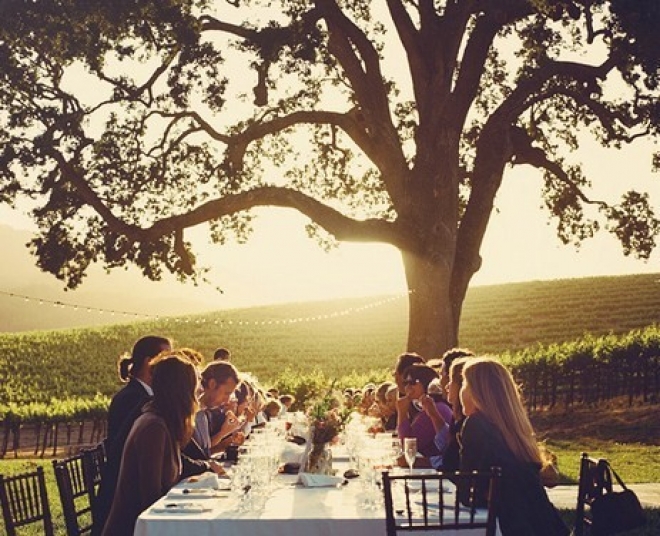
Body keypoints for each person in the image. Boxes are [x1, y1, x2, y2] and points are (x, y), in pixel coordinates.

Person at [458, 357, 569, 536]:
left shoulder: (475, 424)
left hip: (511, 528)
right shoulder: (514, 429)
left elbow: (465, 493)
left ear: (478, 392)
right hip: (545, 526)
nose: (461, 391)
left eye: (465, 384)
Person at [101, 353, 199, 535]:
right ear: (183, 392)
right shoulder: (153, 427)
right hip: (134, 529)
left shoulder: (163, 422)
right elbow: (151, 501)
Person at [106, 335, 171, 447]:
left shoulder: (144, 394)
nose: (172, 366)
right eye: (166, 360)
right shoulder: (130, 399)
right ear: (149, 362)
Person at [420, 356, 472, 471]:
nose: (446, 384)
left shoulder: (471, 422)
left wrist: (422, 462)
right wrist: (433, 414)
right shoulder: (457, 415)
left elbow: (452, 462)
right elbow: (448, 447)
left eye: (443, 375)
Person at [396, 363, 452, 465]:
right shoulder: (426, 407)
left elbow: (408, 446)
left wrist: (402, 413)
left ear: (426, 382)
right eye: (405, 383)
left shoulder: (436, 408)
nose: (407, 387)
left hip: (438, 471)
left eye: (412, 382)